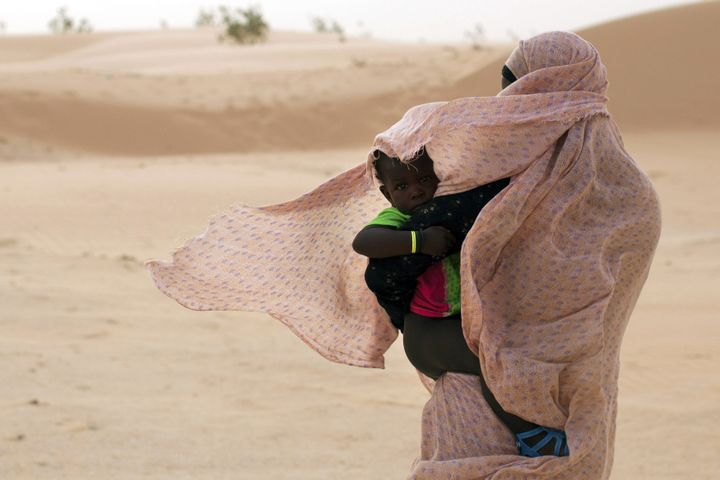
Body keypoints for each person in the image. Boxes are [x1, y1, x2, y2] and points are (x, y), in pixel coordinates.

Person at [146, 31, 661, 478]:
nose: (507, 95)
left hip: (486, 381)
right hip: (571, 397)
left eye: (513, 81)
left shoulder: (488, 170)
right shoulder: (631, 192)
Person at [352, 148, 509, 330]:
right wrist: (421, 241)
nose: (416, 191)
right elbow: (363, 242)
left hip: (474, 305)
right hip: (431, 313)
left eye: (425, 179)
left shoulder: (455, 206)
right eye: (402, 187)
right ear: (387, 195)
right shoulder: (398, 216)